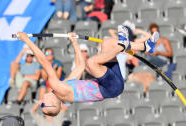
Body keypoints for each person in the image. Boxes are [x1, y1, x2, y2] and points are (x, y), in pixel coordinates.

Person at [16, 25, 159, 116]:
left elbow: (79, 66)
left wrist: (75, 43)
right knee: (92, 62)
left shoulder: (64, 87)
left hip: (109, 84)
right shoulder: (58, 88)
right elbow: (44, 62)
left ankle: (145, 47)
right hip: (110, 87)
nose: (42, 100)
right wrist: (27, 41)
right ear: (53, 103)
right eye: (43, 104)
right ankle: (122, 45)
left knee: (107, 43)